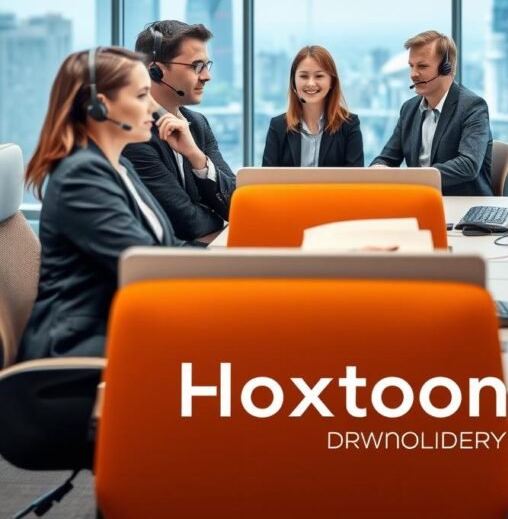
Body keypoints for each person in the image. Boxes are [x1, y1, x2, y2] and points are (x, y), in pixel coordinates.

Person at [19, 47, 188, 361]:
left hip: (120, 332)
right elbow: (143, 263)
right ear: (99, 106)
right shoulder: (81, 176)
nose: (155, 109)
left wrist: (235, 259)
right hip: (78, 352)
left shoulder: (120, 166)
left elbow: (167, 246)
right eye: (141, 96)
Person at [123, 20, 236, 241]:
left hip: (199, 251)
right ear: (155, 71)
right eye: (196, 66)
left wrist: (196, 156)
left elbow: (236, 204)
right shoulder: (135, 134)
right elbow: (186, 223)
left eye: (207, 65)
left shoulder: (197, 124)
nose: (206, 76)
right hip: (158, 264)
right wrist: (216, 214)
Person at [370, 30, 493, 196]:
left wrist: (415, 178)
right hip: (421, 201)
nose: (413, 74)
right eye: (411, 66)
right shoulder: (409, 109)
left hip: (463, 206)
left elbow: (468, 165)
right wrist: (378, 168)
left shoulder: (472, 107)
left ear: (446, 68)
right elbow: (387, 158)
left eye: (422, 66)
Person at [262, 45, 364, 167]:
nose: (311, 83)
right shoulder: (278, 126)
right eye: (304, 76)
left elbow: (355, 182)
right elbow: (266, 182)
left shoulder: (349, 125)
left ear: (332, 81)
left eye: (319, 76)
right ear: (293, 82)